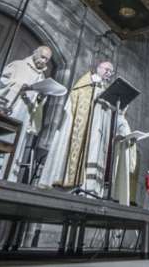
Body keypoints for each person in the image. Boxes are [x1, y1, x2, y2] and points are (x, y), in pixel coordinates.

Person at [0, 46, 51, 181]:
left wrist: (41, 97)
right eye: (42, 57)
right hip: (8, 111)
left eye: (47, 60)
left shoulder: (42, 77)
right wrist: (20, 86)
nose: (44, 61)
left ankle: (5, 178)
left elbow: (37, 104)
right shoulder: (18, 65)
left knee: (13, 146)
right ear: (35, 53)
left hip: (23, 116)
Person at [38, 61, 115, 196]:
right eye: (107, 69)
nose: (108, 73)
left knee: (93, 152)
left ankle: (90, 187)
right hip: (83, 125)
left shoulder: (106, 88)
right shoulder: (87, 81)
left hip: (96, 128)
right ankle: (72, 182)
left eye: (111, 72)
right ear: (98, 68)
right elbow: (77, 96)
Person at [111, 106, 137, 206]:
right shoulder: (113, 116)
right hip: (116, 151)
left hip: (124, 152)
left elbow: (127, 137)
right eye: (123, 106)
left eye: (126, 107)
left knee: (122, 175)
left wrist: (132, 142)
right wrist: (117, 138)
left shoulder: (125, 120)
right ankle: (111, 195)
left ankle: (117, 199)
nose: (124, 108)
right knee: (114, 172)